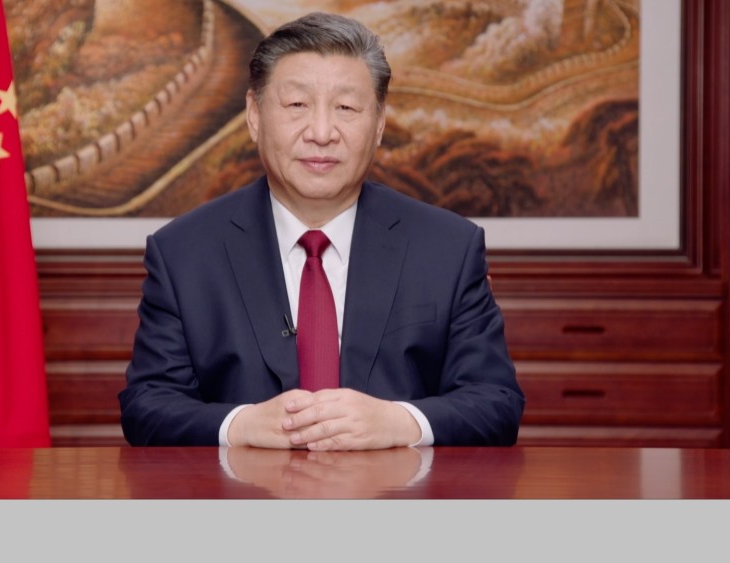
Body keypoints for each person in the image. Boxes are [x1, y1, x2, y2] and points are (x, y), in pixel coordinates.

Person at [118, 11, 525, 450]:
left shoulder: (448, 248)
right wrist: (241, 425)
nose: (321, 132)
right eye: (297, 105)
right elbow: (147, 406)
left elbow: (496, 402)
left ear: (379, 124)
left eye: (346, 108)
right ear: (254, 115)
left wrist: (399, 422)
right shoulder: (183, 253)